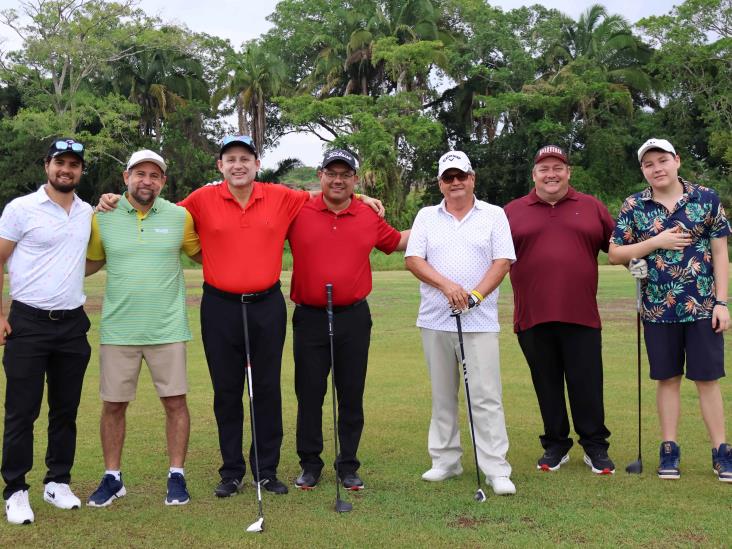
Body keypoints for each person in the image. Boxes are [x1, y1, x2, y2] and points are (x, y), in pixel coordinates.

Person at [98, 136, 383, 497]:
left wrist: (361, 199)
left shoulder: (282, 196)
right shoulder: (201, 200)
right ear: (221, 166)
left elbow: (330, 194)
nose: (238, 165)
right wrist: (113, 199)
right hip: (220, 307)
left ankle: (266, 470)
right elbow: (156, 208)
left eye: (245, 158)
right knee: (227, 391)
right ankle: (231, 471)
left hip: (266, 305)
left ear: (256, 164)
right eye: (230, 158)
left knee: (266, 389)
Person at [608, 138, 731, 482]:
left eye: (662, 160)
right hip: (657, 309)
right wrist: (654, 244)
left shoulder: (705, 199)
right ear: (643, 171)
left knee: (707, 379)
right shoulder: (634, 205)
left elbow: (721, 254)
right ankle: (669, 449)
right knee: (667, 379)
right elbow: (615, 253)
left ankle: (722, 451)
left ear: (677, 160)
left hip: (704, 307)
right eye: (649, 164)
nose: (657, 168)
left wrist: (723, 302)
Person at [85, 150, 202, 508]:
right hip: (119, 330)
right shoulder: (102, 217)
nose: (146, 180)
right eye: (140, 173)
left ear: (163, 181)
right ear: (126, 178)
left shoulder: (179, 216)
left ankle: (177, 476)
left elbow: (210, 252)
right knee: (113, 405)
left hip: (167, 329)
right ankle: (112, 477)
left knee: (175, 403)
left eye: (155, 175)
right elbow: (86, 264)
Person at [287, 149, 409, 491]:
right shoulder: (297, 209)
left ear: (355, 179)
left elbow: (397, 241)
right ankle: (310, 464)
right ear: (320, 175)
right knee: (309, 394)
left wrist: (442, 220)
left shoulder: (367, 215)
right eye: (331, 173)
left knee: (351, 394)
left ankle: (348, 465)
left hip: (353, 318)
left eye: (345, 174)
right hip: (309, 316)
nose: (337, 179)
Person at [404, 150, 517, 496]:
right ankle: (446, 460)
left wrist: (474, 297)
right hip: (435, 319)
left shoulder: (494, 215)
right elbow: (413, 259)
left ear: (472, 179)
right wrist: (448, 286)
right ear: (440, 183)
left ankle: (496, 468)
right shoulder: (426, 215)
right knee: (443, 395)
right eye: (448, 178)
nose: (455, 183)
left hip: (479, 320)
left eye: (461, 176)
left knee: (485, 396)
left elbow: (502, 262)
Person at [504, 145, 616, 475]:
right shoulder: (511, 211)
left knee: (587, 383)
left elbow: (618, 249)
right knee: (546, 383)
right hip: (532, 316)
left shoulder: (591, 207)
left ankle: (595, 446)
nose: (551, 174)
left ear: (569, 172)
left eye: (558, 167)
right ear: (533, 175)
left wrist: (643, 261)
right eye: (544, 168)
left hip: (581, 314)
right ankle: (555, 445)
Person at [0, 138, 93, 524]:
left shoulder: (87, 211)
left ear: (80, 171)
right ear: (46, 166)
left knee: (65, 410)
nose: (65, 170)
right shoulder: (21, 209)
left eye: (73, 165)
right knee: (22, 410)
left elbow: (86, 260)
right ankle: (16, 489)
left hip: (72, 324)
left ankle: (57, 481)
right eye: (59, 163)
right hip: (28, 321)